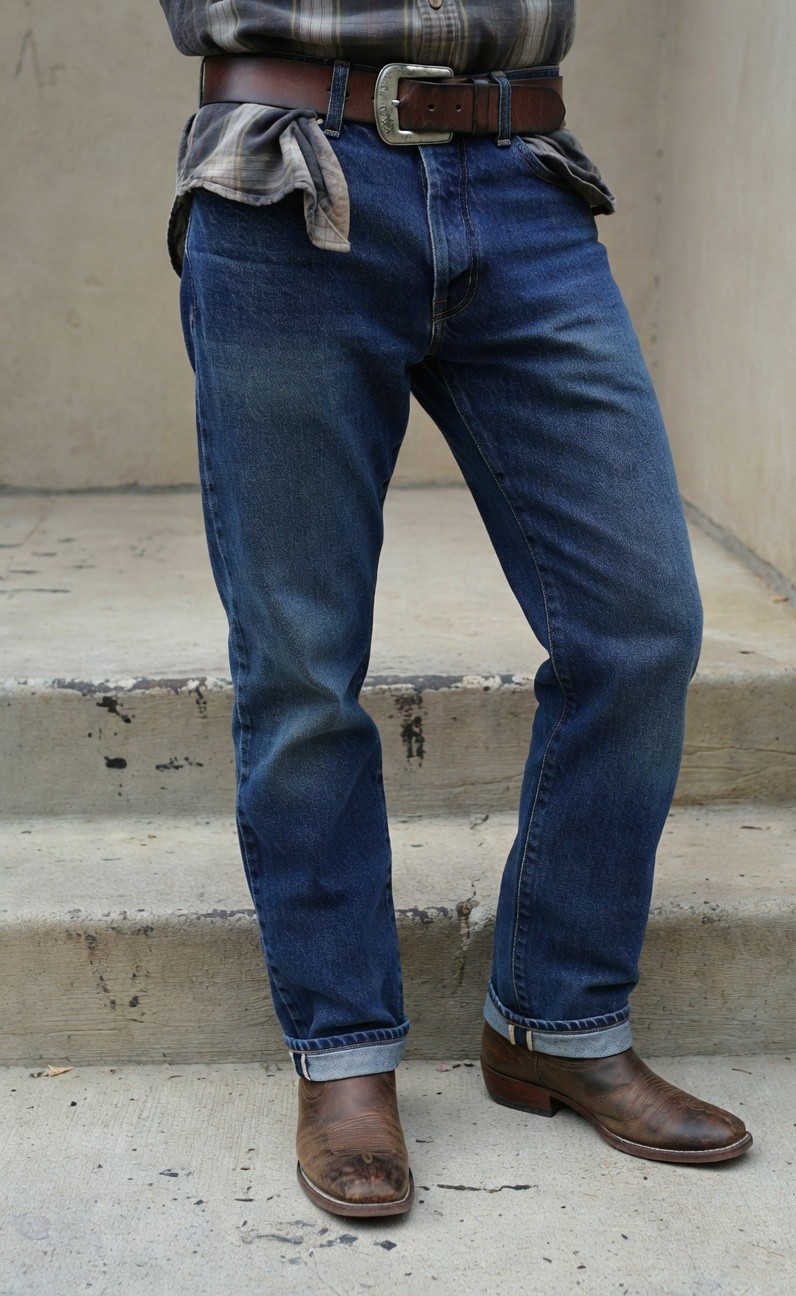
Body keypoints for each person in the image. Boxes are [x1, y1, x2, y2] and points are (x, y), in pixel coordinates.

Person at [158, 1, 753, 1219]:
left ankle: (555, 1015)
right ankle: (345, 1063)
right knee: (302, 664)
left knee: (640, 625)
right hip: (288, 170)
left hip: (523, 178)